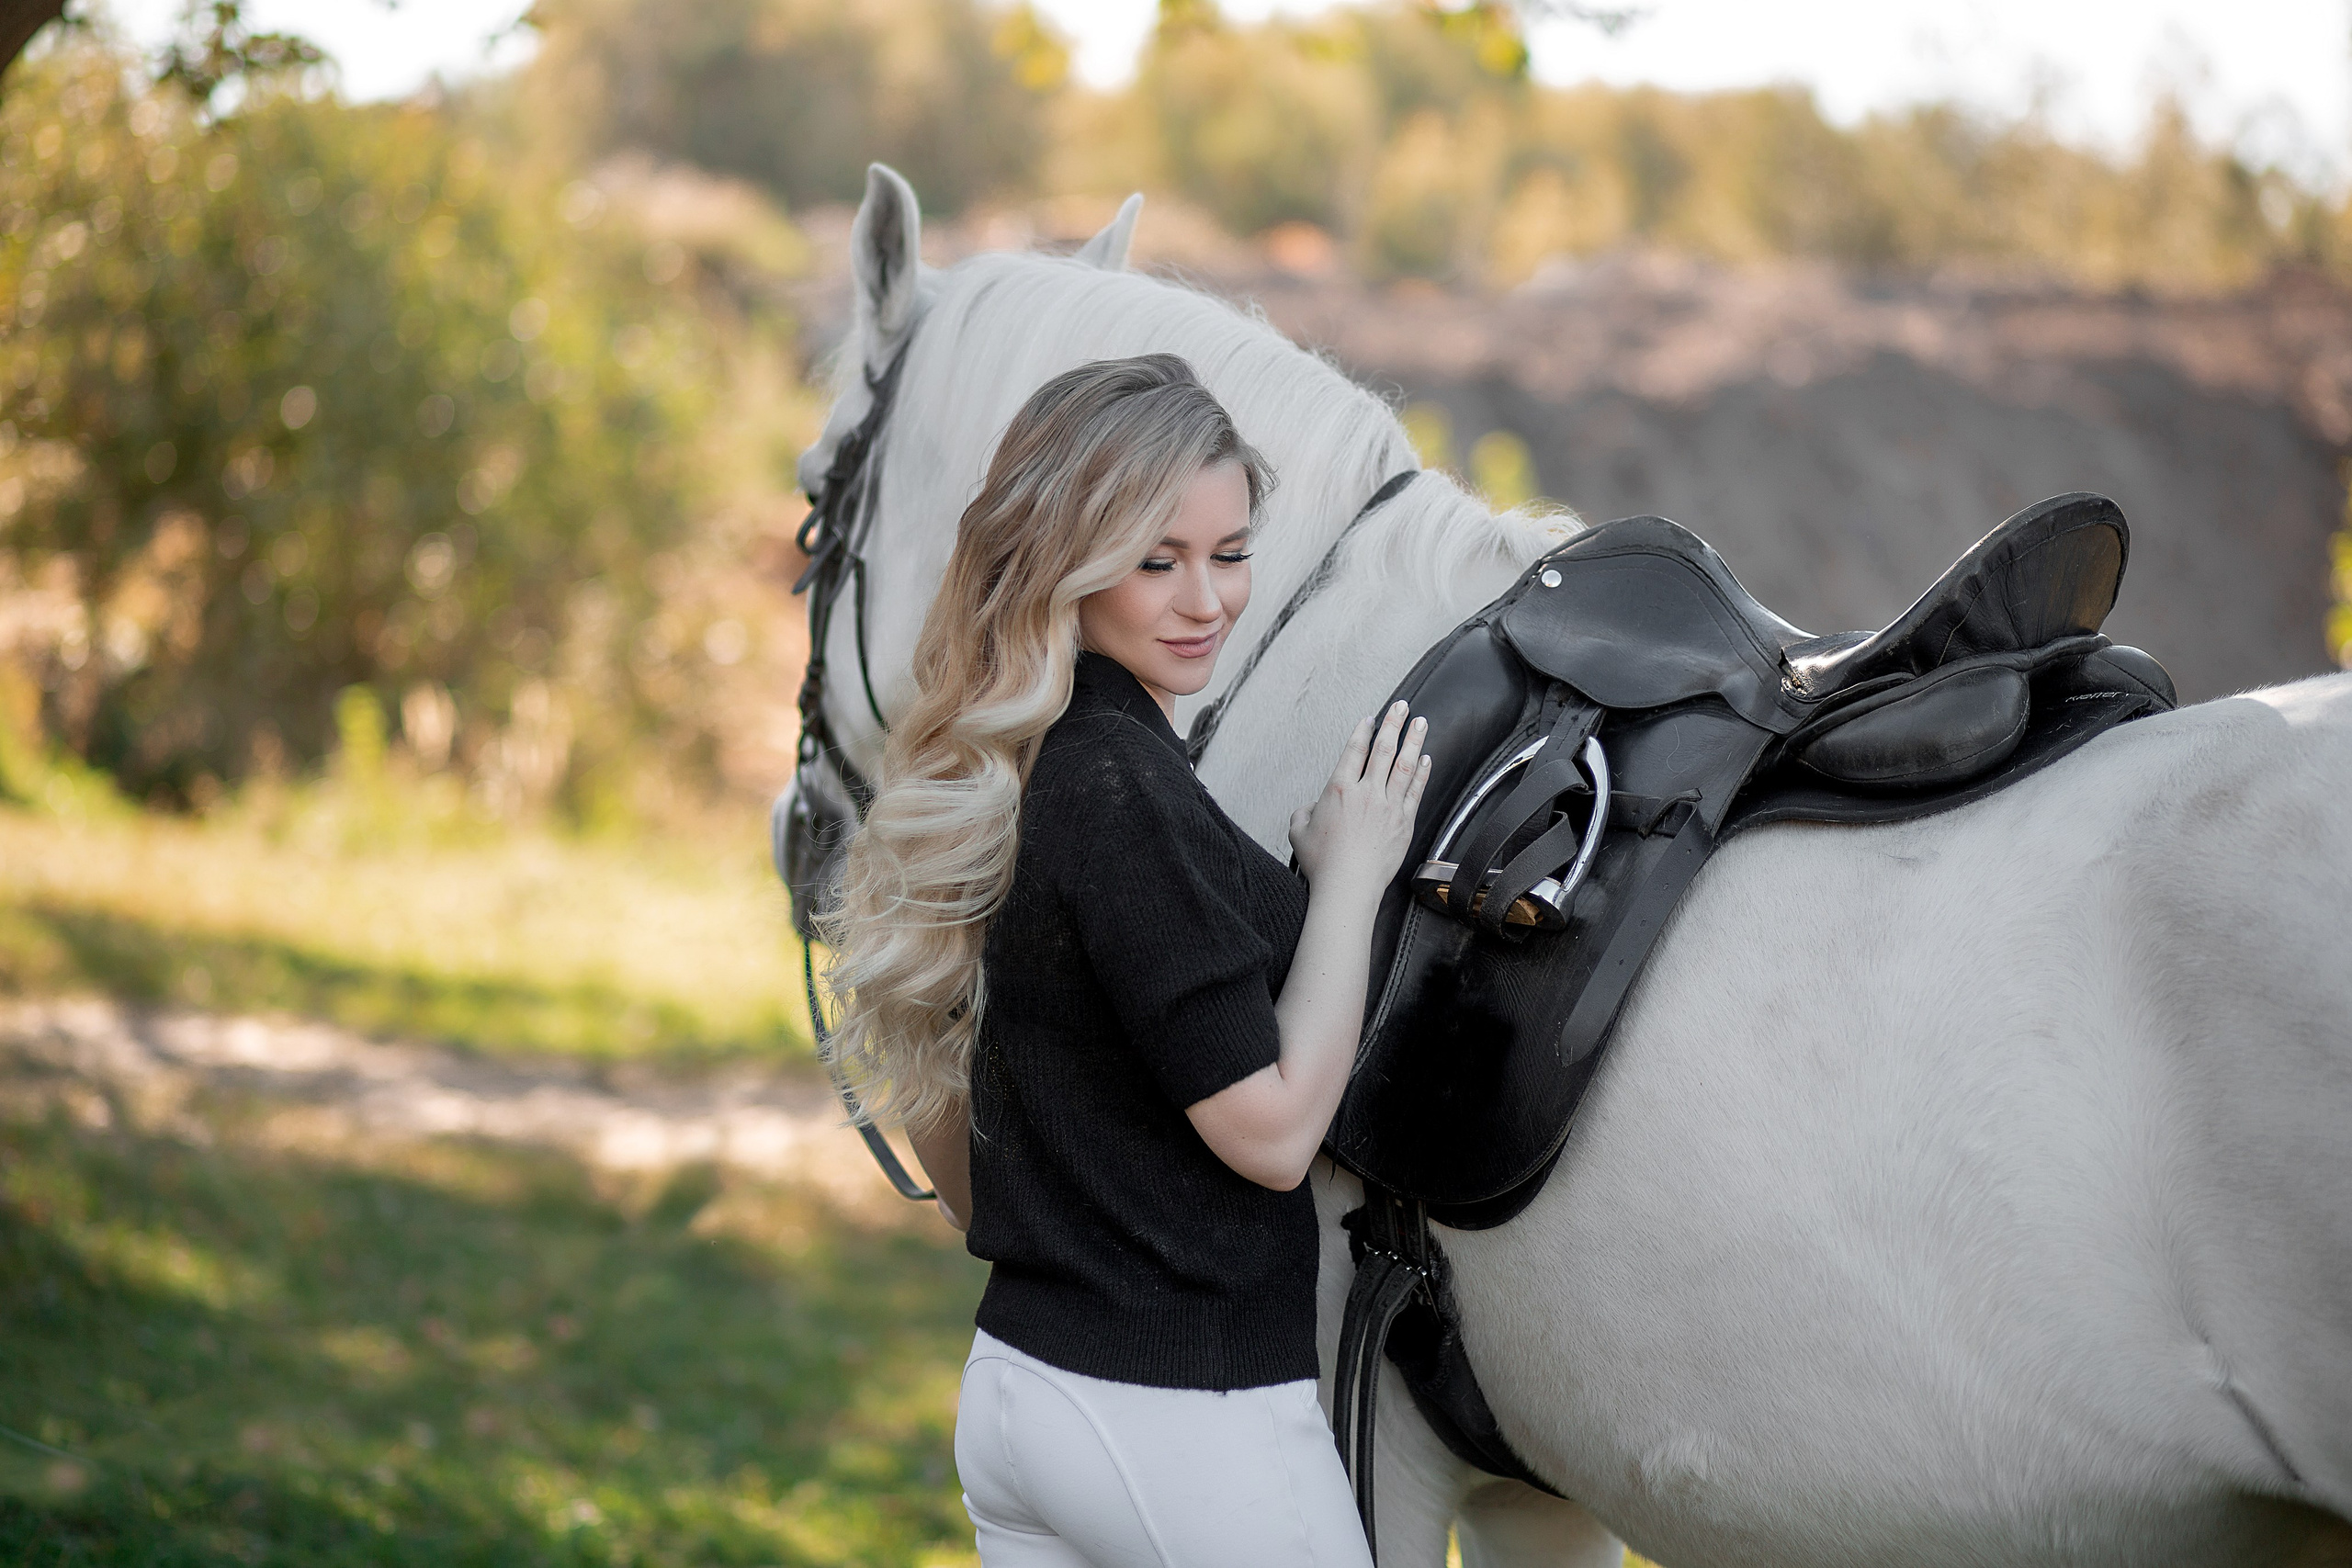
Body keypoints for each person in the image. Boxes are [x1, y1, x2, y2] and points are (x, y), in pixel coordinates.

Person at [821, 353, 1429, 1567]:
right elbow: (1266, 1134)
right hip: (1179, 1417)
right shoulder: (1120, 789)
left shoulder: (1002, 768)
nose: (1206, 598)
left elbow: (957, 1166)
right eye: (1158, 561)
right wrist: (1353, 877)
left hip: (1019, 1391)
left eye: (1231, 552)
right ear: (1068, 558)